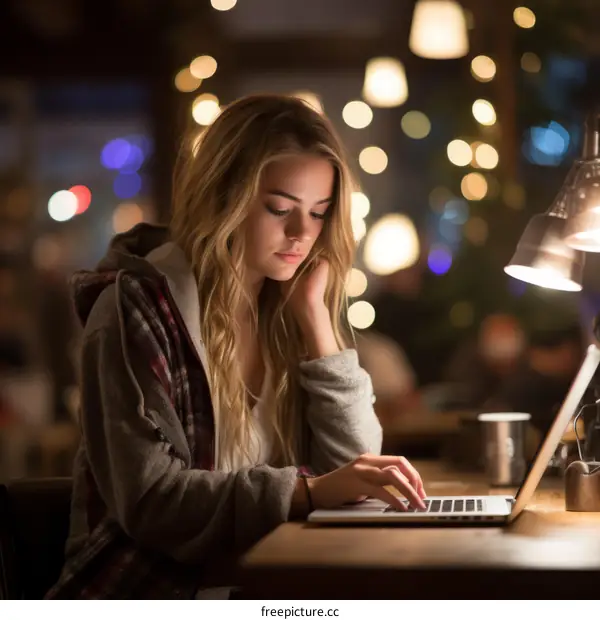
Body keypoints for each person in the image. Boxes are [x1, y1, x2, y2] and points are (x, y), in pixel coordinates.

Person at [46, 95, 426, 600]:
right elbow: (152, 501)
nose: (301, 234)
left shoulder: (287, 305)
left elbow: (352, 473)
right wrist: (305, 492)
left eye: (318, 212)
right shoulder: (132, 312)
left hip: (260, 585)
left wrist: (316, 319)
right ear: (224, 196)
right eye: (279, 208)